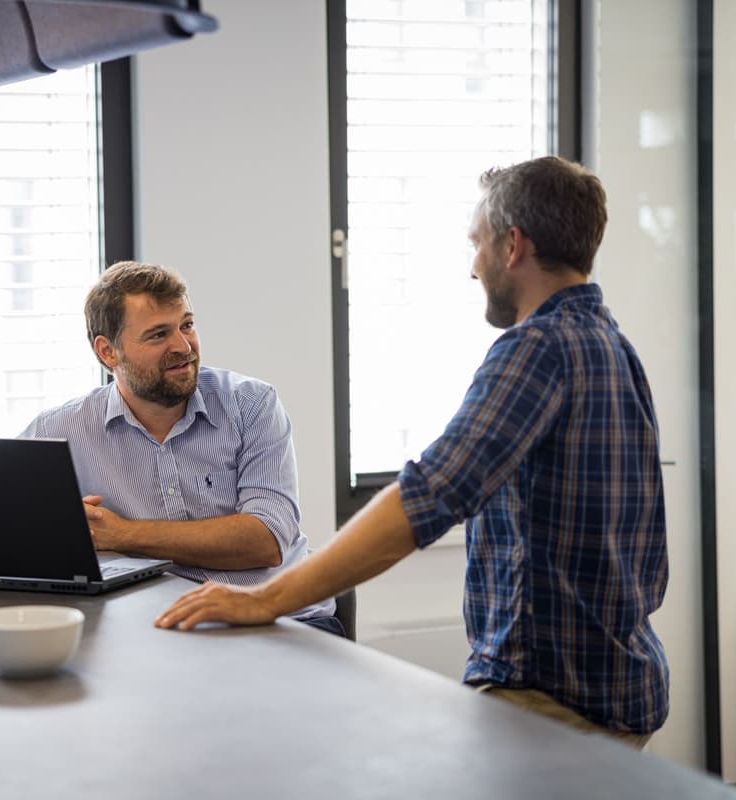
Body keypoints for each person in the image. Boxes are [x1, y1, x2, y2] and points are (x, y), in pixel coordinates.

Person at [156, 156, 670, 746]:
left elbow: (426, 498)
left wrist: (266, 600)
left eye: (476, 244)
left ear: (512, 245)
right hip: (621, 683)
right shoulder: (612, 344)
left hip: (556, 700)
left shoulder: (537, 349)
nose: (473, 268)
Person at [19, 261, 338, 632]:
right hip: (155, 630)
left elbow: (265, 540)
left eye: (186, 325)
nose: (183, 346)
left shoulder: (252, 404)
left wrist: (121, 534)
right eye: (158, 335)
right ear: (108, 352)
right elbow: (3, 525)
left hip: (280, 622)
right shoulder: (57, 430)